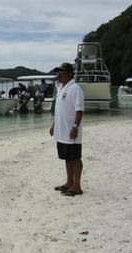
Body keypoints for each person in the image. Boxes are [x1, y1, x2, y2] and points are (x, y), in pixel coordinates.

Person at [49, 63, 85, 197]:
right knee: (67, 158)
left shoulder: (75, 89)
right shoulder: (60, 88)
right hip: (61, 131)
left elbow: (79, 110)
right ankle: (69, 182)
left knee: (75, 158)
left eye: (61, 73)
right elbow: (59, 110)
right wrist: (54, 125)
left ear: (70, 74)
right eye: (58, 73)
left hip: (71, 131)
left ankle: (77, 186)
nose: (58, 75)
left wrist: (75, 127)